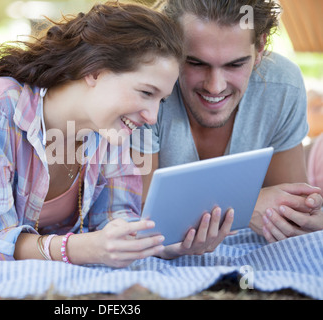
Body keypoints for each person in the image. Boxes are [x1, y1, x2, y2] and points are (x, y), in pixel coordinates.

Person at [0, 2, 234, 268]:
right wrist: (75, 249)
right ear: (95, 71)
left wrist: (164, 245)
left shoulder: (114, 130)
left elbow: (115, 222)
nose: (152, 116)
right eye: (145, 93)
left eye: (161, 100)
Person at [132, 0, 323, 244]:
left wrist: (305, 213)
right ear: (172, 50)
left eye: (235, 64)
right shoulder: (150, 92)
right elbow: (138, 216)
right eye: (196, 63)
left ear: (260, 47)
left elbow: (291, 212)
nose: (215, 86)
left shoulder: (282, 86)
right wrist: (246, 207)